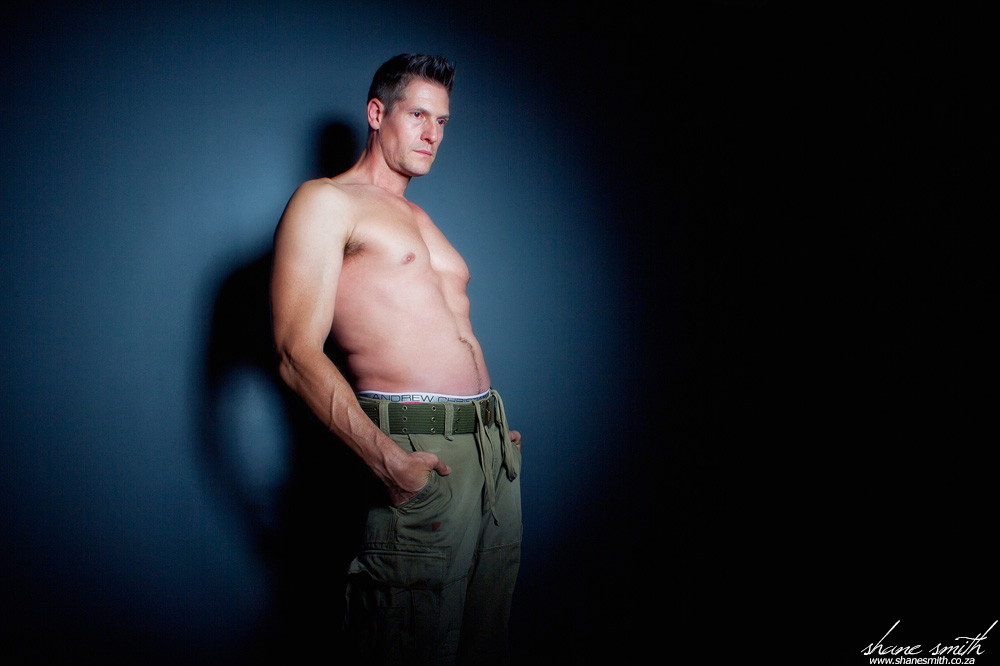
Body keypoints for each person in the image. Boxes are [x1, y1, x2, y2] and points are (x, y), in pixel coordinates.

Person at [269, 54, 522, 665]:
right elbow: (294, 353)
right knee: (407, 643)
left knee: (483, 643)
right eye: (418, 115)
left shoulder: (418, 217)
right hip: (415, 454)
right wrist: (387, 460)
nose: (433, 134)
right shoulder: (327, 201)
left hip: (487, 458)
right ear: (377, 113)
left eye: (443, 121)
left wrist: (486, 432)